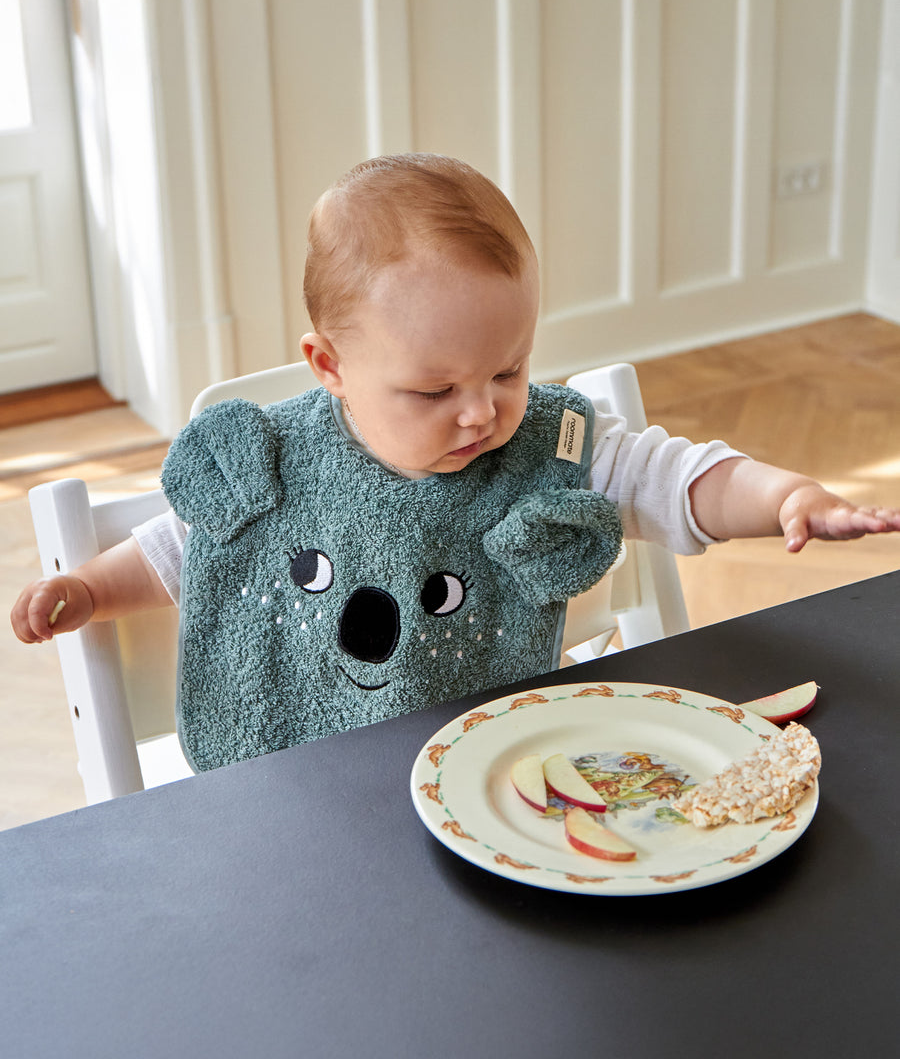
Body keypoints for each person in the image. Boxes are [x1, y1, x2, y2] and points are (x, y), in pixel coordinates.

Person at [10, 153, 900, 769]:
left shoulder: (545, 442)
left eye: (508, 369)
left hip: (493, 777)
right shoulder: (276, 461)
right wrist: (89, 590)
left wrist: (783, 494)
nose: (481, 411)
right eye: (434, 392)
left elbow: (673, 481)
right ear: (332, 368)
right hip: (299, 797)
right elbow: (179, 550)